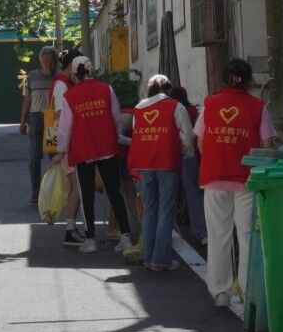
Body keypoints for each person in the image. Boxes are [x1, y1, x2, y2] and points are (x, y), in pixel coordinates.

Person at [195, 58, 279, 306]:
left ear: (224, 77)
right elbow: (266, 146)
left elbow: (200, 142)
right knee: (247, 234)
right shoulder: (258, 106)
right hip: (246, 178)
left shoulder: (209, 104)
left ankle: (220, 292)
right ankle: (245, 290)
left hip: (214, 177)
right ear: (249, 80)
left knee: (218, 234)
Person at [55, 55, 134, 254]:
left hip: (83, 151)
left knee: (87, 195)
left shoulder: (70, 97)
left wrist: (61, 151)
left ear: (74, 74)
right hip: (107, 148)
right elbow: (116, 117)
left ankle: (90, 239)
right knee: (114, 192)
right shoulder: (106, 89)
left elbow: (65, 128)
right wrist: (115, 136)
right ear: (92, 71)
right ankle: (125, 236)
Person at [129, 75, 193, 271]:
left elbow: (135, 132)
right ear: (168, 89)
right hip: (167, 162)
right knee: (166, 210)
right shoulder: (176, 106)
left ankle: (149, 258)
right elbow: (187, 135)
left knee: (150, 210)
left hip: (144, 163)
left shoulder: (139, 108)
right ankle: (161, 259)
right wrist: (186, 153)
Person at [52, 49, 85, 245]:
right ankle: (70, 229)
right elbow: (60, 117)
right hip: (66, 144)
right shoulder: (61, 85)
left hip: (69, 143)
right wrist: (62, 148)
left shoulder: (68, 83)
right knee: (78, 187)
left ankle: (73, 227)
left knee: (77, 187)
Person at [19, 46, 58, 204]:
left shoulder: (59, 77)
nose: (48, 62)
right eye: (45, 59)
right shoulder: (32, 76)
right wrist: (23, 121)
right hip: (36, 118)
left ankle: (56, 190)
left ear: (55, 60)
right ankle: (35, 192)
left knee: (54, 157)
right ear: (40, 60)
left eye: (50, 59)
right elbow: (27, 100)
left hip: (53, 118)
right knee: (35, 157)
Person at [169, 85, 207, 242]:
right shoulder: (194, 112)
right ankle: (202, 232)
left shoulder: (171, 110)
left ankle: (169, 229)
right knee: (194, 194)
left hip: (172, 156)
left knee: (168, 193)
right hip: (190, 158)